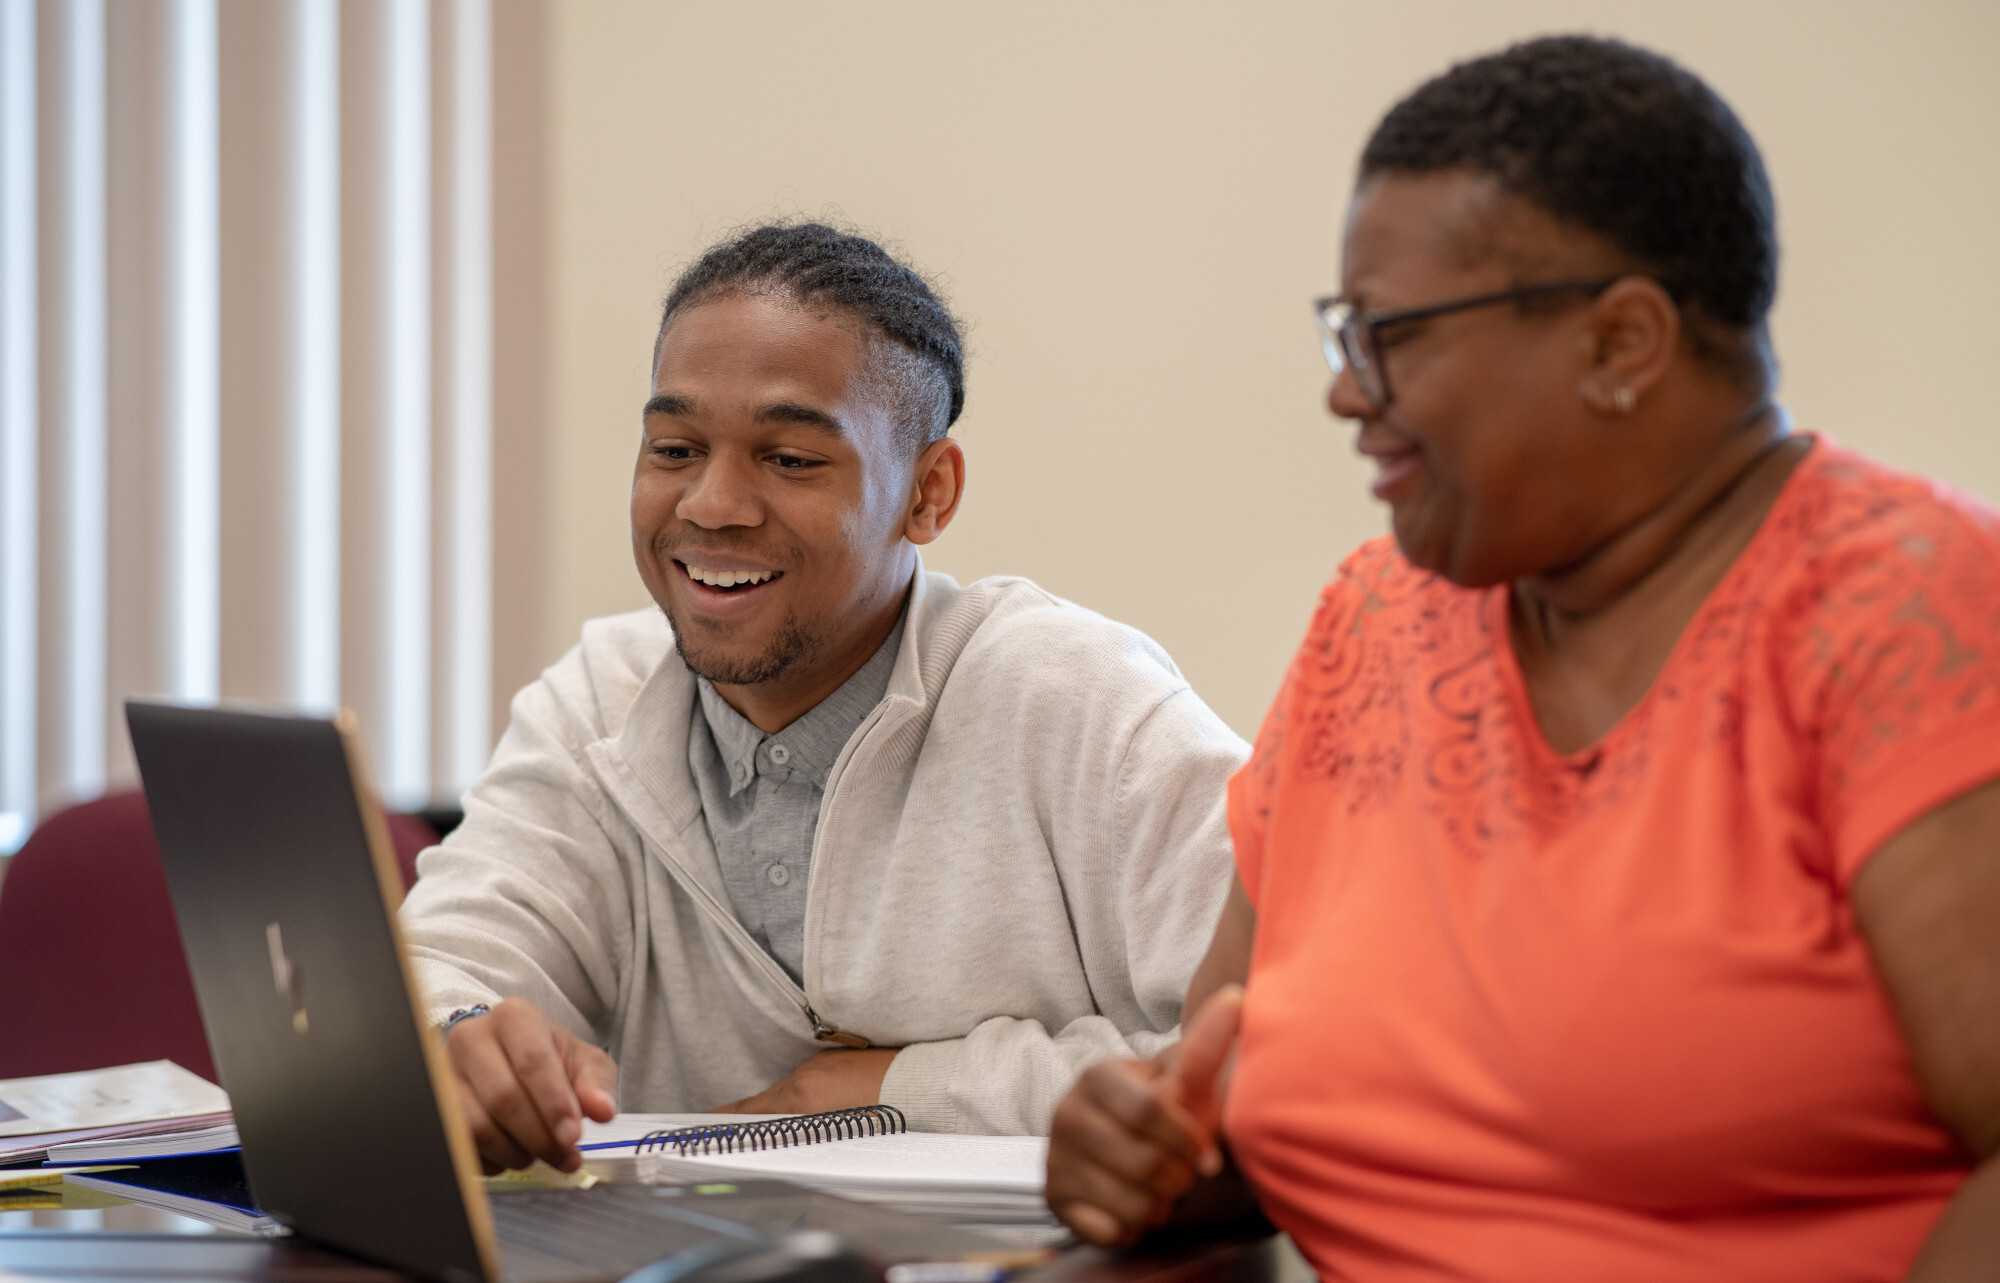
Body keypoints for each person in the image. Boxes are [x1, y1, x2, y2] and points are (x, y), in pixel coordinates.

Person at [1044, 34, 2000, 1281]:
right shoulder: (1373, 621)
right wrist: (1142, 1156)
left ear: (1621, 343)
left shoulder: (1907, 611)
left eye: (1389, 334)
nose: (1345, 394)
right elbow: (1219, 1107)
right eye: (1345, 333)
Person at [400, 223, 1245, 1173]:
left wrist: (892, 1087)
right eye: (674, 448)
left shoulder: (1081, 702)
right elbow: (438, 966)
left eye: (791, 460)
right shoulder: (601, 696)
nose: (711, 504)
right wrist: (462, 1035)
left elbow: (1268, 1050)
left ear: (928, 494)